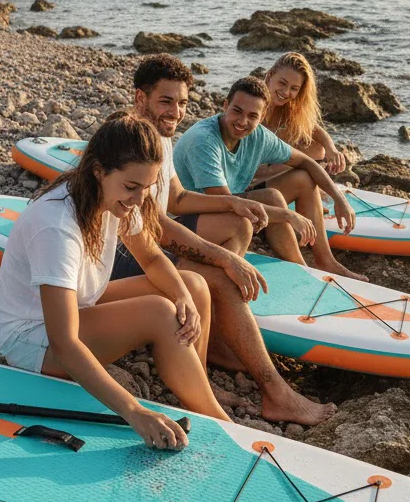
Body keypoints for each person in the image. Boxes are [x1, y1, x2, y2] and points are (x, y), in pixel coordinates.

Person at [118, 54, 337, 426]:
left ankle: (213, 353)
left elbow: (176, 200)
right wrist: (222, 257)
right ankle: (274, 392)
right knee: (215, 273)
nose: (176, 112)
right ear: (141, 99)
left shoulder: (161, 140)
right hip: (119, 262)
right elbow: (155, 227)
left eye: (182, 103)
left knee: (223, 254)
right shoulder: (130, 144)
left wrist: (234, 203)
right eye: (165, 101)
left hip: (144, 246)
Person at [0, 114, 227, 450]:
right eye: (131, 187)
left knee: (192, 286)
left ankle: (197, 391)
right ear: (98, 170)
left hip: (80, 304)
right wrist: (134, 411)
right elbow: (65, 342)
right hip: (33, 337)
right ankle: (221, 422)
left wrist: (183, 297)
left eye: (146, 188)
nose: (138, 199)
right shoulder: (56, 226)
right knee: (160, 312)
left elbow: (151, 258)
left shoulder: (112, 197)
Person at [172, 76, 358, 276]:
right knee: (270, 202)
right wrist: (289, 215)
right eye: (237, 111)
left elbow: (306, 162)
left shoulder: (259, 136)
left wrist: (339, 199)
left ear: (262, 117)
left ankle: (318, 263)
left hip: (229, 201)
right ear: (225, 106)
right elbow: (227, 203)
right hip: (186, 219)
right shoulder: (204, 141)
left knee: (299, 181)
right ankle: (297, 269)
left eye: (252, 116)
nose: (243, 122)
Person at [254, 52, 366, 281]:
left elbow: (314, 129)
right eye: (282, 83)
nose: (286, 92)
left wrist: (332, 149)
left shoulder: (287, 109)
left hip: (266, 181)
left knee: (315, 157)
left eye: (294, 89)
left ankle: (326, 261)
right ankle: (309, 261)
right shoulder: (253, 103)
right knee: (305, 172)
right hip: (243, 187)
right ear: (270, 76)